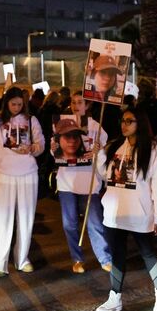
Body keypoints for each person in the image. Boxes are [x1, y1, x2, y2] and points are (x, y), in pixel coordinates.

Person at [94, 108, 157, 311]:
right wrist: (99, 154)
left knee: (148, 253)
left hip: (140, 212)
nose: (124, 124)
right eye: (123, 120)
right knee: (117, 255)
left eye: (130, 121)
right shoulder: (115, 146)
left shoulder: (154, 150)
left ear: (141, 123)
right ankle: (115, 297)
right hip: (114, 212)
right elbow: (104, 174)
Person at [0, 82, 45, 280]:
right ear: (6, 103)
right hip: (4, 174)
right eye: (13, 104)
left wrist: (31, 148)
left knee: (26, 217)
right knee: (3, 219)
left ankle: (22, 258)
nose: (16, 108)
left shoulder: (32, 120)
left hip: (28, 173)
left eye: (19, 104)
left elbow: (41, 143)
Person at [53, 117, 110, 274]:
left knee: (95, 223)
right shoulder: (61, 122)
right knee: (69, 224)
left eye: (75, 137)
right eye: (67, 137)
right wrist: (54, 149)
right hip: (66, 185)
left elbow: (102, 157)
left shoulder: (96, 127)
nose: (72, 141)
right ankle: (77, 259)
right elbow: (54, 153)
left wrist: (99, 153)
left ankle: (105, 257)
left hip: (89, 185)